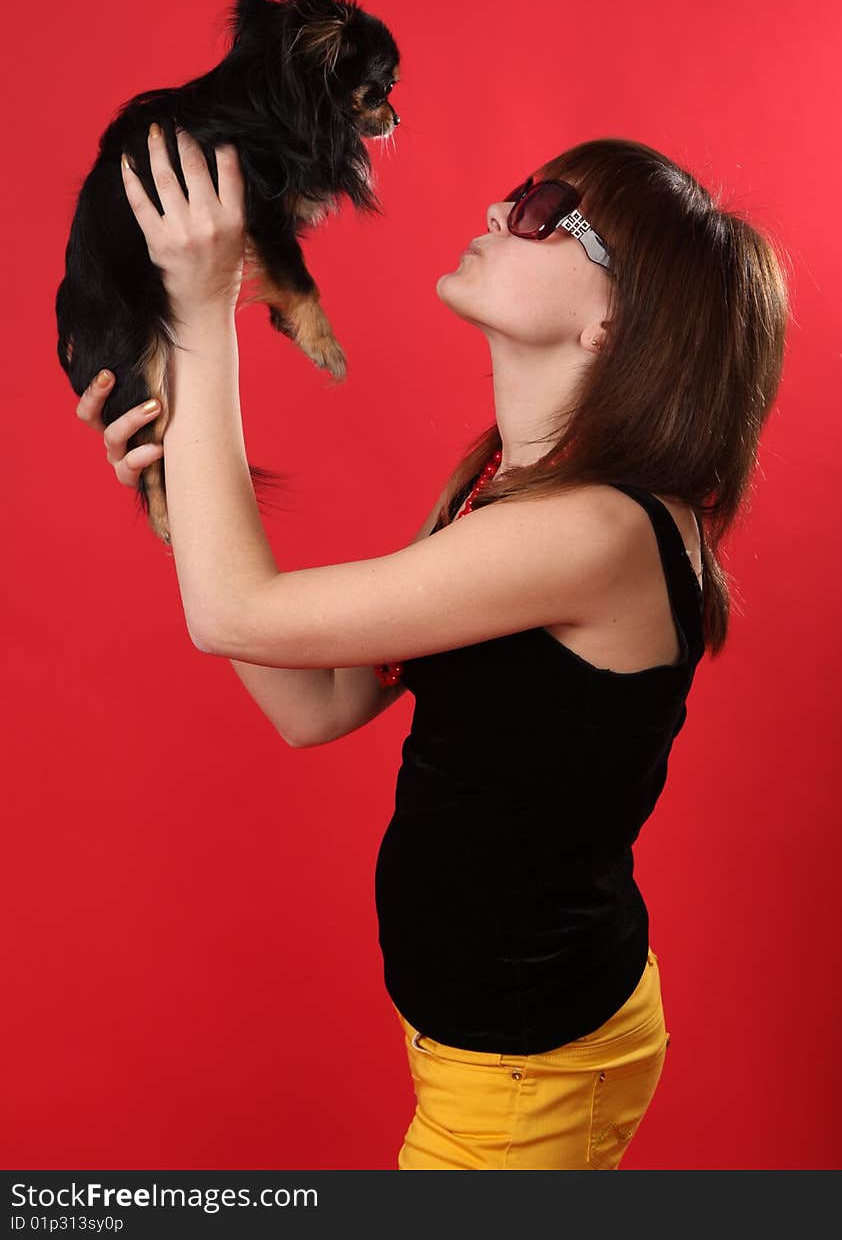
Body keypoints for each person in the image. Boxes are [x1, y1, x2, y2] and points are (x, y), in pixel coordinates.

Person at [75, 133, 790, 1169]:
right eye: (519, 188)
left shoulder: (589, 534)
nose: (505, 209)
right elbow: (312, 706)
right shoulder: (503, 492)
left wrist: (195, 306)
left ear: (612, 322)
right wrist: (176, 496)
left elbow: (234, 612)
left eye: (548, 210)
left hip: (523, 1079)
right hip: (498, 1050)